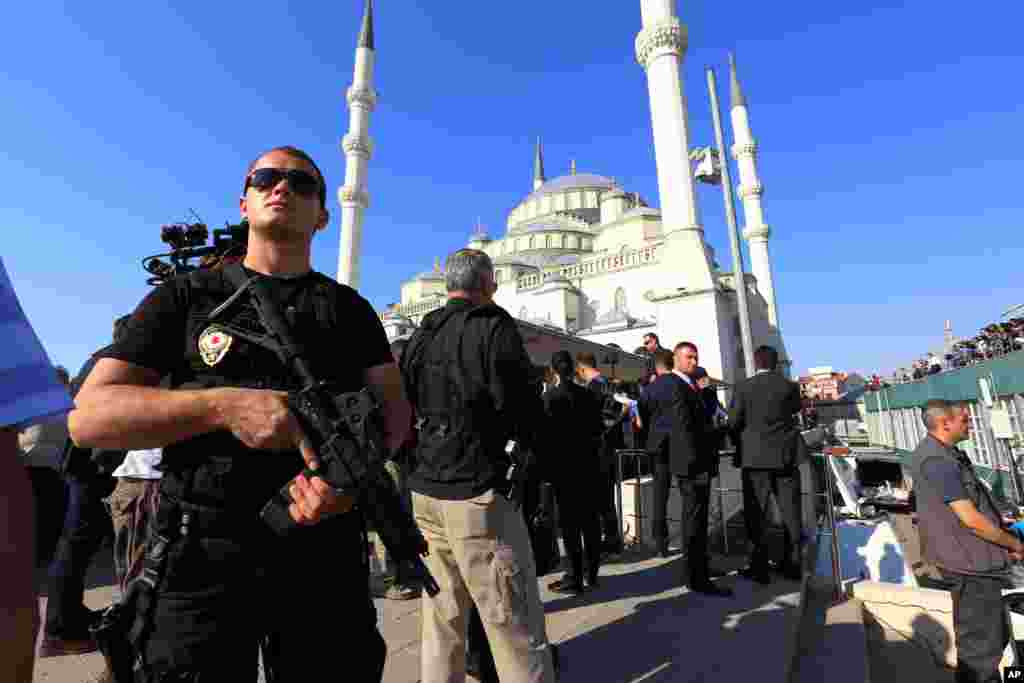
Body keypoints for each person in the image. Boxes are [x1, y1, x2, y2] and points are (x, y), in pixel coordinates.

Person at [70, 145, 409, 680]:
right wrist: (221, 406)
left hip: (322, 553)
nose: (282, 188)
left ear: (323, 213)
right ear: (245, 201)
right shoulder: (185, 298)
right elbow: (90, 416)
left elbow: (394, 417)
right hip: (202, 551)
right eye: (267, 178)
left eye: (302, 184)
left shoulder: (350, 312)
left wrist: (345, 482)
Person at [400, 248, 557, 683]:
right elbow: (523, 408)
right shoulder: (492, 327)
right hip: (477, 496)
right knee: (513, 625)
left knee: (442, 621)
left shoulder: (422, 333)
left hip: (426, 493)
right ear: (486, 284)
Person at [911, 400, 1021, 683]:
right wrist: (1014, 544)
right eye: (964, 420)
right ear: (945, 423)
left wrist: (1003, 527)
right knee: (980, 648)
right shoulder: (937, 460)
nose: (969, 424)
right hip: (969, 567)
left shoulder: (947, 454)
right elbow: (970, 519)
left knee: (990, 637)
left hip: (972, 561)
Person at [40, 336, 126, 658]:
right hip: (91, 460)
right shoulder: (115, 361)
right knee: (76, 541)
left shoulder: (96, 361)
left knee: (75, 541)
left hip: (81, 459)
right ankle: (61, 625)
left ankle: (65, 619)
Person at [729, 345, 804, 585]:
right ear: (776, 363)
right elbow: (794, 411)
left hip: (754, 460)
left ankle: (759, 568)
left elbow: (734, 421)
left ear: (755, 362)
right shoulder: (790, 387)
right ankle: (792, 565)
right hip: (785, 457)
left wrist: (740, 440)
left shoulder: (743, 387)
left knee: (756, 514)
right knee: (790, 512)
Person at [667, 342, 732, 596]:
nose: (693, 362)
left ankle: (699, 569)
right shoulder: (676, 386)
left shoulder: (692, 385)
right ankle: (696, 577)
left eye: (695, 357)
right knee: (693, 521)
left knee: (698, 520)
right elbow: (684, 429)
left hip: (699, 463)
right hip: (692, 466)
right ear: (676, 358)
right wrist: (713, 432)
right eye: (688, 357)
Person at [544, 350, 605, 595]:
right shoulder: (588, 395)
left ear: (554, 370)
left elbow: (544, 436)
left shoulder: (550, 398)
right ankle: (592, 573)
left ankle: (574, 575)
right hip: (589, 465)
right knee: (590, 523)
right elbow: (599, 429)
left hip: (564, 469)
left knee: (570, 526)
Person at [576, 351, 626, 555]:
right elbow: (620, 411)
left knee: (598, 498)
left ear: (581, 368)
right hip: (607, 447)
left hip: (597, 449)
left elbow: (597, 420)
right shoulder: (608, 384)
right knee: (606, 498)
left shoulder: (594, 387)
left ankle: (606, 542)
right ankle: (612, 539)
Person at [637, 349, 677, 559]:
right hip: (681, 446)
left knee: (659, 496)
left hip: (658, 446)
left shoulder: (650, 390)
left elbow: (643, 415)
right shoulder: (682, 385)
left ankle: (661, 543)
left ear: (657, 367)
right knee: (690, 495)